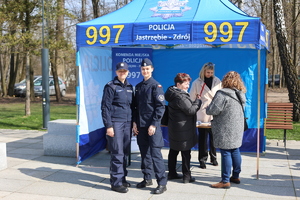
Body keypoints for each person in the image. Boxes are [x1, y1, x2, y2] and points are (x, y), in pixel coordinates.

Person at [132, 58, 167, 194]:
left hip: (152, 127)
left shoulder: (156, 86)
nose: (145, 71)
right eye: (143, 69)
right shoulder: (139, 87)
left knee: (155, 154)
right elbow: (135, 107)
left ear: (152, 69)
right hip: (140, 126)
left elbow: (160, 107)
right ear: (141, 70)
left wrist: (154, 124)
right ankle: (147, 178)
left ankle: (162, 183)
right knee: (144, 154)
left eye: (147, 69)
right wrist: (134, 122)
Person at [206, 71, 246, 189]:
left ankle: (225, 180)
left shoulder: (222, 94)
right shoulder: (240, 93)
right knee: (235, 150)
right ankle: (236, 176)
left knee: (226, 152)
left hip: (225, 127)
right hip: (237, 126)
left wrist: (208, 106)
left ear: (225, 81)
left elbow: (212, 111)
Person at [101, 62, 134, 193]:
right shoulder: (110, 86)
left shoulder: (130, 86)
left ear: (128, 72)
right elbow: (105, 107)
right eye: (120, 71)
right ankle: (116, 182)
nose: (122, 73)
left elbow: (133, 106)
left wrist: (134, 123)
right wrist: (108, 126)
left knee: (124, 152)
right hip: (115, 123)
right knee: (117, 153)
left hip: (128, 123)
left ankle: (123, 178)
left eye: (124, 71)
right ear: (116, 72)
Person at [165, 73, 202, 183]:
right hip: (183, 128)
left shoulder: (172, 92)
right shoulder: (180, 96)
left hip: (175, 127)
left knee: (174, 150)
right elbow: (190, 110)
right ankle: (187, 176)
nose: (188, 86)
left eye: (188, 83)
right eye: (186, 83)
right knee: (186, 153)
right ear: (178, 84)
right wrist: (198, 102)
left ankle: (171, 173)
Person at [189, 62, 222, 169]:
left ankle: (214, 158)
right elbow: (191, 98)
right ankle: (202, 159)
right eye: (208, 72)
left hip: (214, 112)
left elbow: (221, 96)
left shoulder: (217, 81)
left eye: (212, 72)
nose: (210, 74)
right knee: (202, 138)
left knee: (214, 138)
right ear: (203, 71)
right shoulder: (196, 82)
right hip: (202, 113)